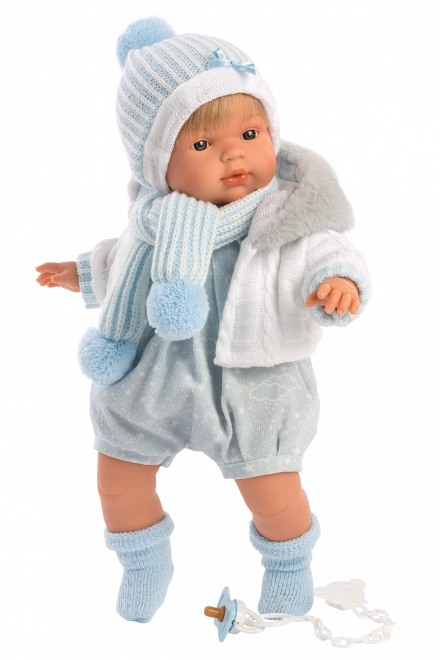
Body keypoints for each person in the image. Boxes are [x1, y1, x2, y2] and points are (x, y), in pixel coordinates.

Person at [34, 14, 373, 626]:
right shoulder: (158, 224)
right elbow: (124, 263)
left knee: (272, 493)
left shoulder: (286, 217)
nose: (233, 154)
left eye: (250, 132)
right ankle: (142, 567)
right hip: (153, 372)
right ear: (156, 164)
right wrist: (81, 273)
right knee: (117, 477)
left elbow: (328, 251)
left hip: (254, 383)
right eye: (200, 145)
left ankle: (289, 571)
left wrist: (341, 282)